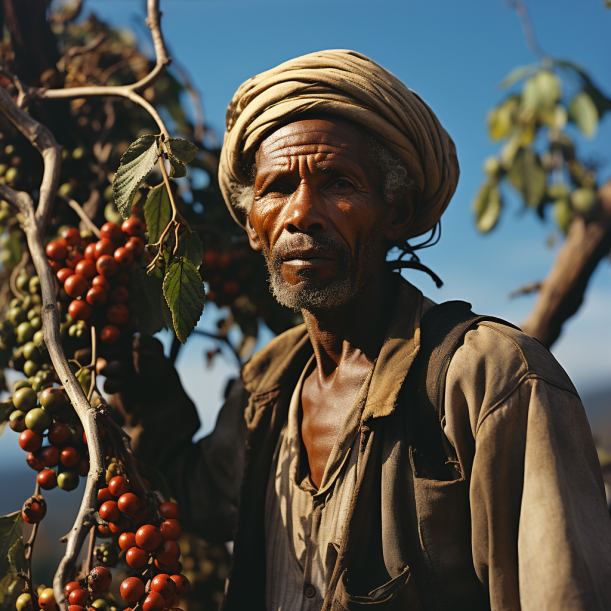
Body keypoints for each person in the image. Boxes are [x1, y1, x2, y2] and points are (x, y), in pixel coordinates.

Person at [104, 50, 611, 610]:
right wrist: (152, 399)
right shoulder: (267, 387)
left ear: (397, 211)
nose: (302, 213)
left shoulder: (491, 377)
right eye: (276, 189)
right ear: (253, 228)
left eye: (337, 182)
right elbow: (201, 499)